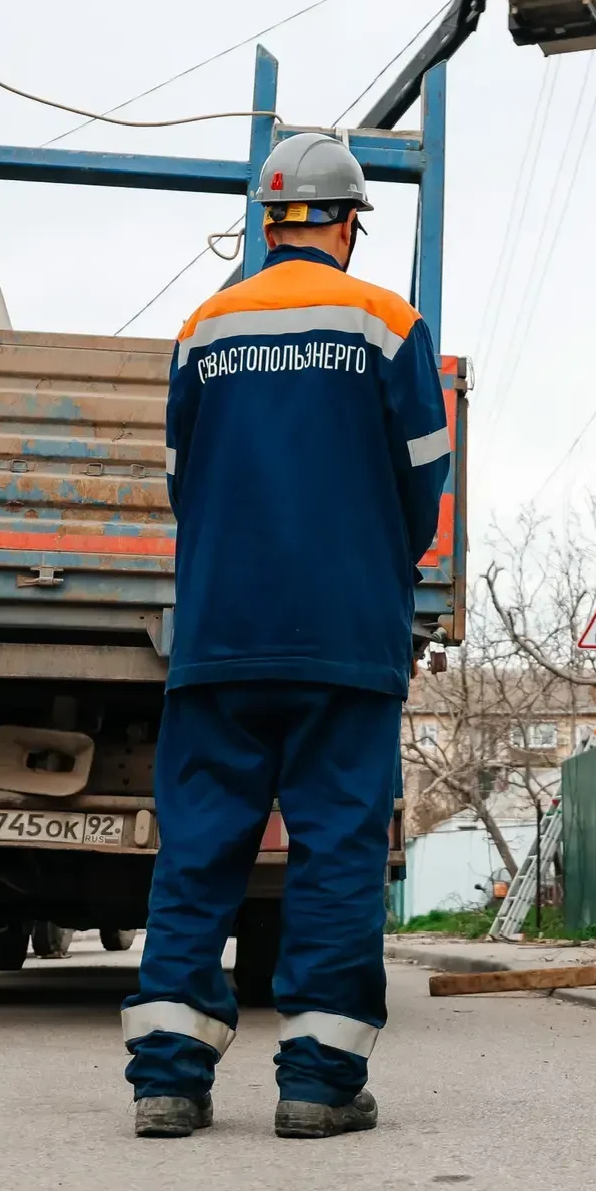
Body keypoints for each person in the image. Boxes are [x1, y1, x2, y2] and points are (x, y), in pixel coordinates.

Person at [122, 132, 451, 1140]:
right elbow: (422, 482)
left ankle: (168, 1082)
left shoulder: (203, 328)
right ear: (347, 221)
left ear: (269, 223)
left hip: (219, 636)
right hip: (343, 640)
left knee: (199, 852)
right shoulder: (387, 326)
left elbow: (184, 481)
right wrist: (373, 567)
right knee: (335, 852)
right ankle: (317, 1084)